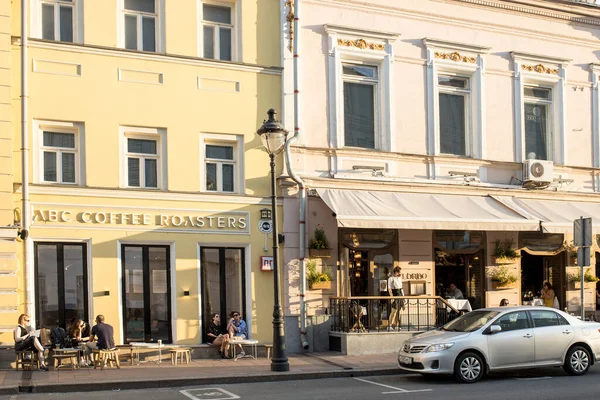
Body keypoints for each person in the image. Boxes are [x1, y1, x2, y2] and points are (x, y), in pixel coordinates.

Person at [387, 266, 403, 331]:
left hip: (400, 294)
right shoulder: (391, 278)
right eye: (398, 272)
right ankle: (389, 325)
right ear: (395, 272)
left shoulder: (399, 278)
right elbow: (389, 288)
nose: (399, 274)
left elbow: (401, 288)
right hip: (395, 293)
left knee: (399, 311)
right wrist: (391, 297)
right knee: (394, 311)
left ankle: (397, 324)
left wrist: (403, 297)